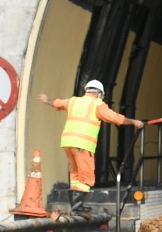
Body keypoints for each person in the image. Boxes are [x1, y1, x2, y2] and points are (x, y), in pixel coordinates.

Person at [37, 80, 142, 215]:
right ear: (99, 94)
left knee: (75, 174)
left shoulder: (73, 101)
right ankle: (78, 208)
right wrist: (134, 122)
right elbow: (115, 118)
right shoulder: (98, 105)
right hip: (83, 145)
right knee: (86, 176)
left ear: (86, 90)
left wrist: (47, 100)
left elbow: (57, 103)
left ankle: (75, 207)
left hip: (68, 142)